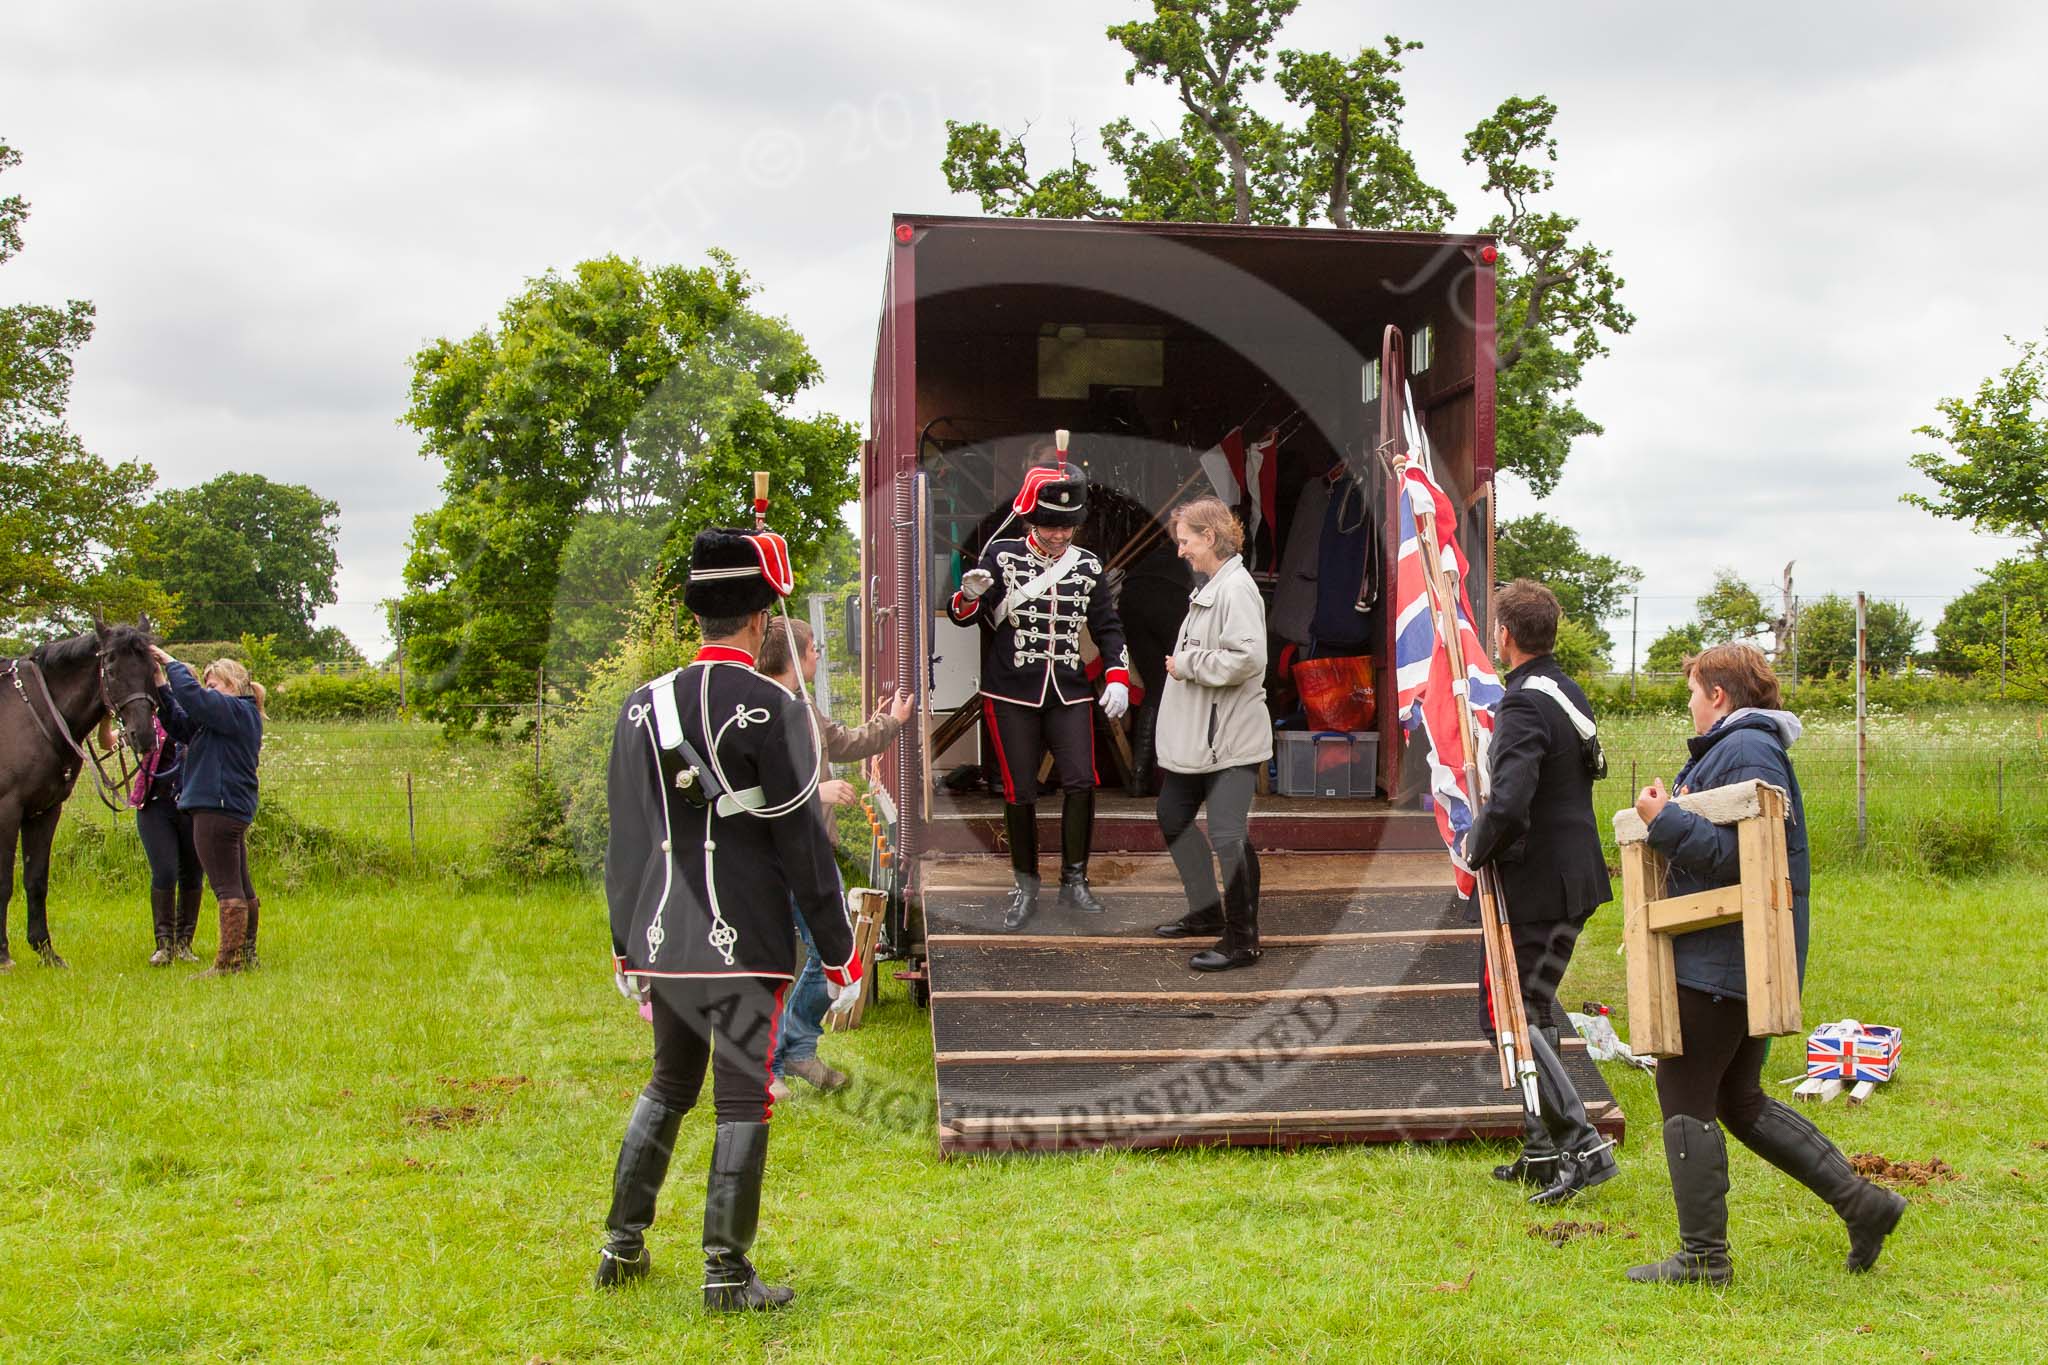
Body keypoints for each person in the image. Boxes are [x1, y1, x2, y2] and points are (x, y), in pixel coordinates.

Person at [596, 526, 862, 1311]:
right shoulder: (775, 706)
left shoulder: (640, 705)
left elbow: (626, 838)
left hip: (660, 935)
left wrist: (623, 939)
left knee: (670, 1081)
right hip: (744, 936)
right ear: (756, 620)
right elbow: (803, 842)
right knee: (743, 1095)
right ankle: (724, 1274)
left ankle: (621, 1245)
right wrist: (841, 950)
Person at [1626, 643, 1904, 1284]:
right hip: (1736, 953)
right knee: (1738, 1098)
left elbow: (1740, 856)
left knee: (1686, 1091)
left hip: (1722, 955)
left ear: (1719, 695)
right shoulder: (1742, 747)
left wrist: (1662, 819)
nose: (1690, 704)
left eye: (1693, 691)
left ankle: (1703, 1259)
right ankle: (1864, 1204)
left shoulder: (1745, 748)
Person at [1462, 579, 1617, 1205]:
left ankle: (1579, 1142)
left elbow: (1512, 800)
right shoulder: (1564, 689)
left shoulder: (1525, 703)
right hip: (1570, 877)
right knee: (1530, 1005)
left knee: (1507, 1010)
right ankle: (1542, 1145)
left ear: (1504, 635)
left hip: (1540, 884)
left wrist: (1474, 848)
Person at [947, 457, 1131, 930]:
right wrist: (967, 595)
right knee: (1019, 789)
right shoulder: (1002, 556)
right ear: (1031, 519)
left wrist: (1116, 675)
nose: (1059, 536)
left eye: (1067, 527)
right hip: (1011, 690)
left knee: (1081, 781)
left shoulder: (1087, 566)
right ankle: (1024, 886)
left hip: (1068, 688)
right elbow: (967, 617)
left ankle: (1075, 882)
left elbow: (1108, 629)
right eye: (1050, 526)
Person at [755, 617, 912, 1098]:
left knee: (828, 951)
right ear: (798, 657)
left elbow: (844, 742)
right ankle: (770, 1066)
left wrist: (894, 723)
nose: (819, 656)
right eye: (814, 649)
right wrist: (815, 792)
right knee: (771, 961)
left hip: (811, 852)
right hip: (769, 855)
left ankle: (797, 1051)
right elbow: (754, 792)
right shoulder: (759, 710)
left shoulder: (803, 708)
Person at [1149, 497, 1271, 972]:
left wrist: (1187, 665)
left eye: (1185, 541)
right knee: (1172, 815)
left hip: (1230, 740)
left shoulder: (1236, 589)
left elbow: (1248, 658)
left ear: (1209, 537)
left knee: (1227, 834)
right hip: (1202, 741)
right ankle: (1205, 910)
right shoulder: (1216, 586)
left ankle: (1242, 940)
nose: (1181, 551)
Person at [149, 648, 265, 977]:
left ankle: (228, 964)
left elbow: (192, 697)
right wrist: (160, 684)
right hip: (227, 806)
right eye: (208, 685)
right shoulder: (226, 719)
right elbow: (179, 722)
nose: (209, 691)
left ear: (236, 686)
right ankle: (246, 954)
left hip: (217, 806)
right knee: (241, 885)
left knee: (227, 888)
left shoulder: (236, 711)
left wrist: (170, 662)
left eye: (215, 685)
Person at [129, 696, 203, 965]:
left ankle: (184, 943)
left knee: (193, 872)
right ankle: (164, 945)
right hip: (155, 806)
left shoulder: (200, 725)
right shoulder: (152, 725)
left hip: (192, 806)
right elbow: (109, 741)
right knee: (165, 871)